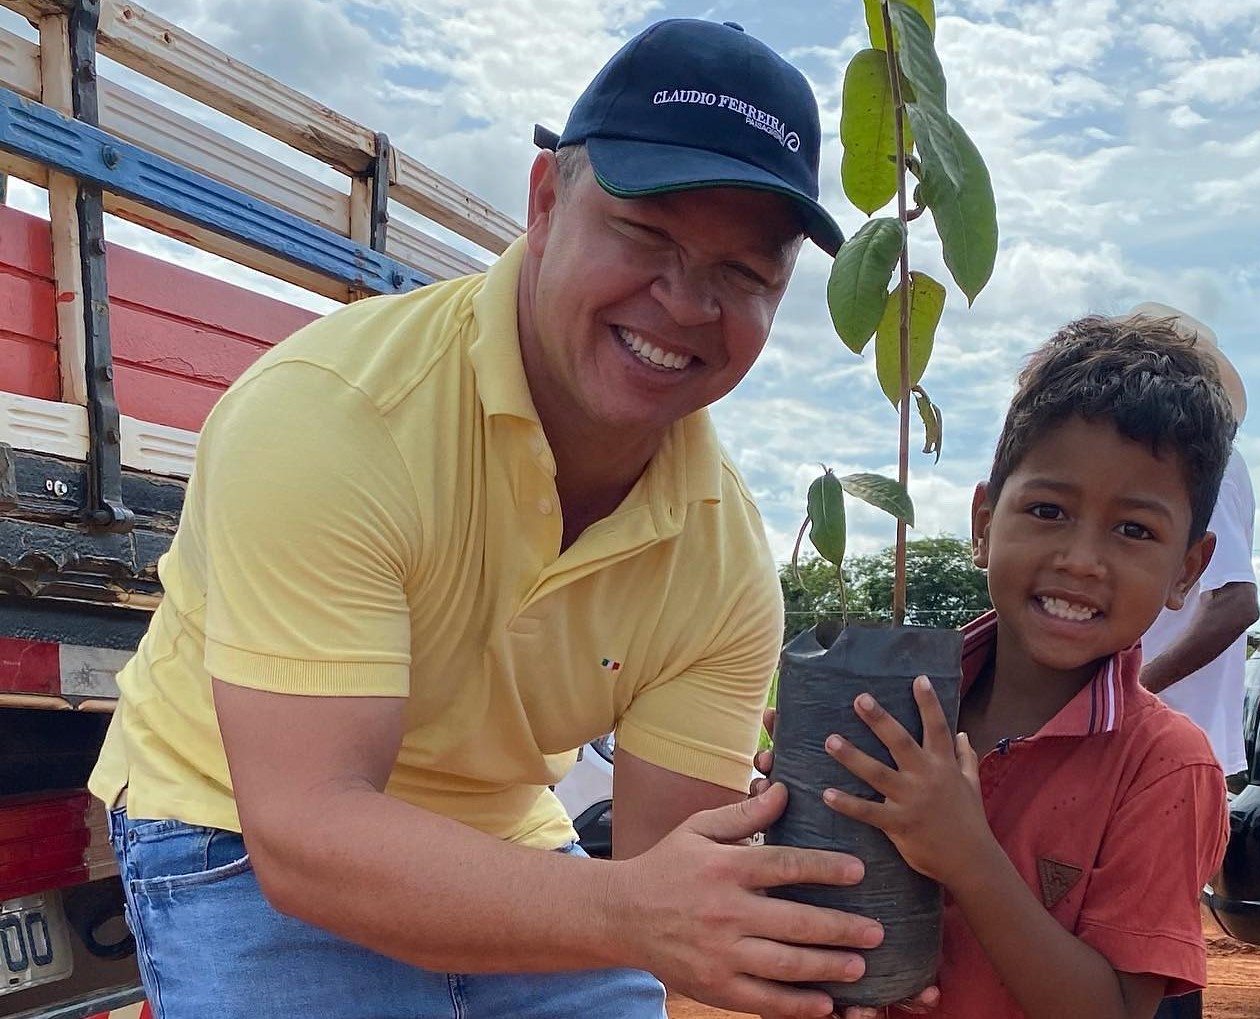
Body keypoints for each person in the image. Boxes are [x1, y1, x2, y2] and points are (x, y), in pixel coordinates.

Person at [87, 19, 885, 1019]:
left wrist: (810, 965)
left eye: (743, 275)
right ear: (546, 200)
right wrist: (629, 910)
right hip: (234, 821)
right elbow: (306, 834)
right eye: (649, 235)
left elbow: (673, 886)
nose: (685, 303)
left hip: (503, 828)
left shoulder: (722, 561)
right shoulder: (336, 415)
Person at [760, 314, 1234, 1018]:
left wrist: (966, 855)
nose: (1080, 558)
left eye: (1134, 529)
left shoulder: (1167, 768)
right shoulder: (895, 710)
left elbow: (1114, 1009)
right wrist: (799, 810)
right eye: (1048, 509)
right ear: (984, 522)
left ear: (1186, 570)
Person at [1128, 306, 1257, 1019]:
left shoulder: (1216, 465)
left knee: (1152, 946)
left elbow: (1236, 599)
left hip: (1168, 749)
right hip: (1160, 741)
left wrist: (1131, 690)